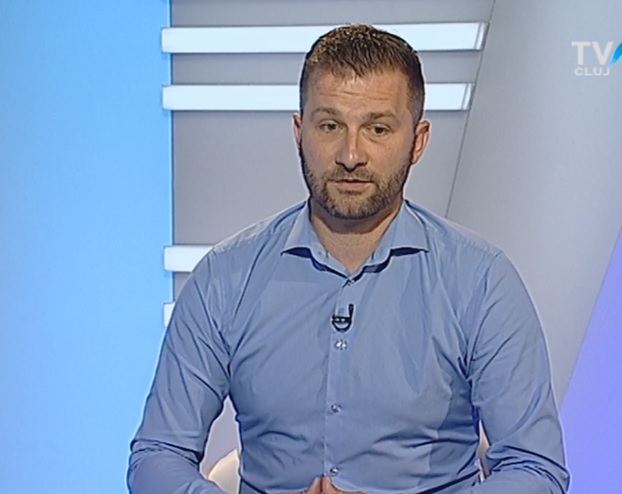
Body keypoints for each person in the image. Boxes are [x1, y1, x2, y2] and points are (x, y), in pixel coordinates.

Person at [127, 24, 570, 494]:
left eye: (377, 128)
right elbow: (157, 456)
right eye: (330, 126)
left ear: (417, 141)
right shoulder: (225, 278)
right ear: (299, 132)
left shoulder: (480, 280)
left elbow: (535, 469)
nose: (351, 155)